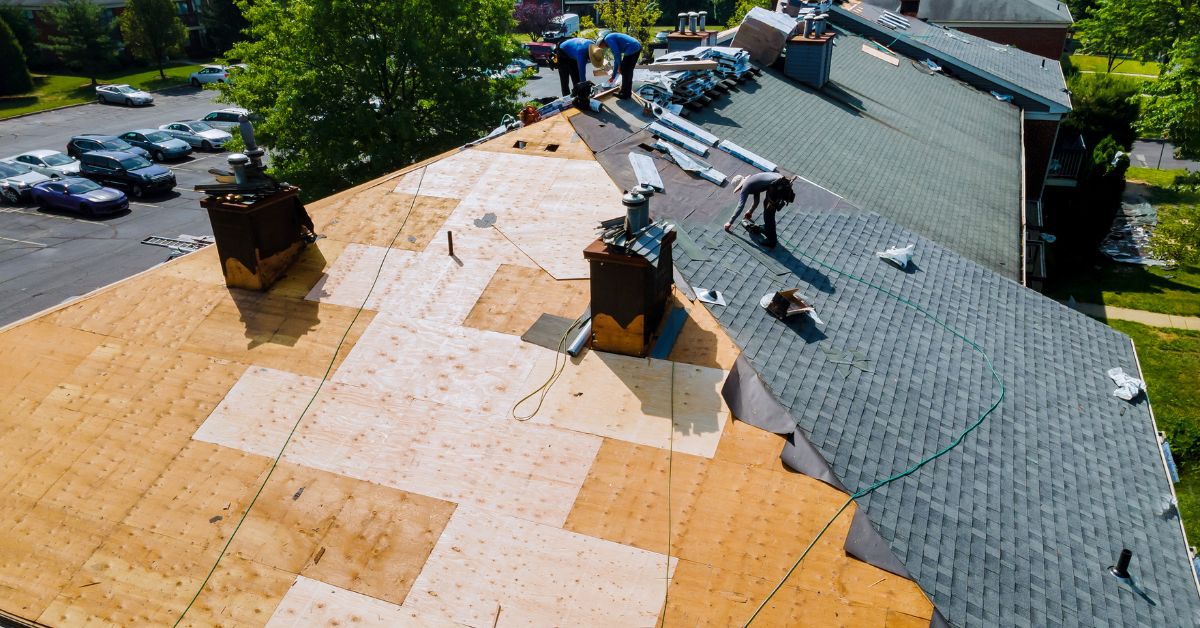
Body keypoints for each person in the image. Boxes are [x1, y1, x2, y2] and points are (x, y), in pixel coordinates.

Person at [725, 173, 797, 249]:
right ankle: (767, 228)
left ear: (740, 186)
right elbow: (757, 200)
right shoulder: (751, 182)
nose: (740, 190)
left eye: (739, 189)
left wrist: (730, 222)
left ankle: (771, 240)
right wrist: (750, 211)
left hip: (777, 185)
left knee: (768, 213)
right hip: (781, 182)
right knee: (767, 207)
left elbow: (740, 206)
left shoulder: (745, 186)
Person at [596, 31, 642, 99]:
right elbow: (616, 60)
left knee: (624, 70)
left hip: (632, 48)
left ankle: (624, 94)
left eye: (601, 47)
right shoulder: (610, 40)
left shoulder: (608, 39)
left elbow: (617, 54)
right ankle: (627, 93)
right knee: (628, 71)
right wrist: (613, 76)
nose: (602, 48)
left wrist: (620, 66)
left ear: (602, 43)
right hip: (637, 46)